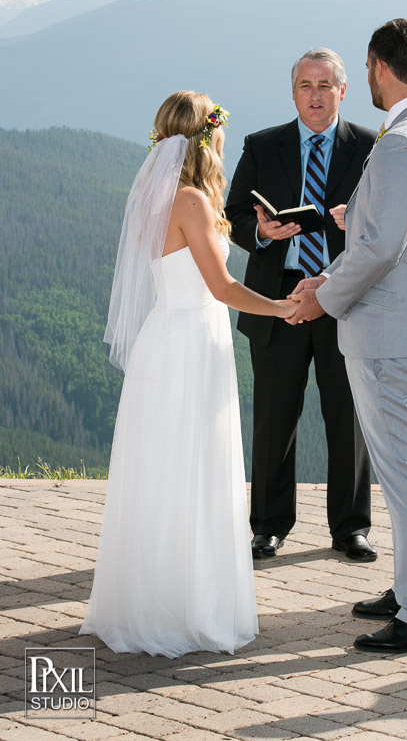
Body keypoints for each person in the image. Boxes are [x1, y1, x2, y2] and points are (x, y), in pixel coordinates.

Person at [80, 91, 297, 658]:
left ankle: (152, 597)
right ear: (208, 138)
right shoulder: (193, 201)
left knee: (164, 470)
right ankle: (190, 607)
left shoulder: (153, 199)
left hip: (165, 338)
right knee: (194, 468)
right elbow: (222, 289)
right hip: (191, 344)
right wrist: (283, 307)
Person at [288, 20, 407, 654]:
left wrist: (320, 297)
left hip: (386, 331)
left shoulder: (400, 144)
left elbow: (381, 249)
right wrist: (353, 212)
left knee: (404, 472)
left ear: (377, 66)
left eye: (365, 70)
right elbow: (390, 227)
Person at [226, 49, 377, 561]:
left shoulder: (370, 147)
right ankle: (268, 525)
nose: (315, 95)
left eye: (325, 85)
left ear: (342, 90)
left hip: (343, 299)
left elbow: (382, 223)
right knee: (274, 418)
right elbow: (233, 216)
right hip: (278, 301)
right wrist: (262, 233)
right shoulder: (262, 146)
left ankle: (351, 528)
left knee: (348, 417)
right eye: (306, 85)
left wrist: (347, 224)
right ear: (293, 92)